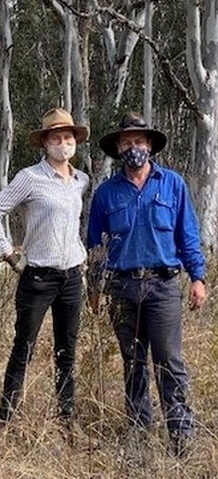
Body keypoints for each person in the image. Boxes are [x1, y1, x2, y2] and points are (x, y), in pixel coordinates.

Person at [86, 113, 206, 456]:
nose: (134, 148)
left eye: (139, 142)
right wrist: (94, 288)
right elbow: (95, 244)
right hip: (122, 289)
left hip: (163, 287)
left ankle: (181, 439)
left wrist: (197, 277)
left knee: (169, 362)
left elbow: (188, 235)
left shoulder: (173, 184)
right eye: (127, 143)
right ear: (118, 148)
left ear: (150, 146)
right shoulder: (105, 194)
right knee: (133, 362)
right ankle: (138, 435)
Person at [0, 108, 90, 426]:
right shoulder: (30, 178)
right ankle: (7, 418)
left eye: (67, 137)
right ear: (45, 143)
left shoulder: (81, 180)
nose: (62, 143)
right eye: (56, 138)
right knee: (23, 345)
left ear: (74, 141)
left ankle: (66, 418)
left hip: (71, 277)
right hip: (37, 276)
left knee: (67, 348)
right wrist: (9, 253)